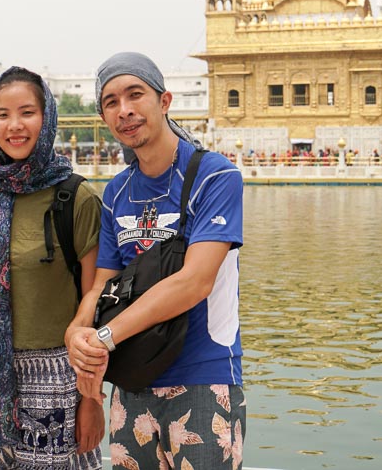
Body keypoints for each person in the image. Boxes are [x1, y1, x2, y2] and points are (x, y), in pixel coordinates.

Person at [66, 52, 246, 469]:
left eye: (135, 95)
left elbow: (194, 281)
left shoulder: (214, 176)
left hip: (204, 377)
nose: (124, 110)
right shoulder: (116, 193)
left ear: (164, 101)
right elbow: (102, 286)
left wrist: (104, 337)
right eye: (111, 102)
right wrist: (77, 330)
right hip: (133, 379)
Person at [0, 66, 104, 469]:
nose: (14, 126)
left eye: (27, 113)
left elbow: (94, 306)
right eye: (3, 114)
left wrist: (91, 402)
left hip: (56, 382)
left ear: (47, 117)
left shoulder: (75, 196)